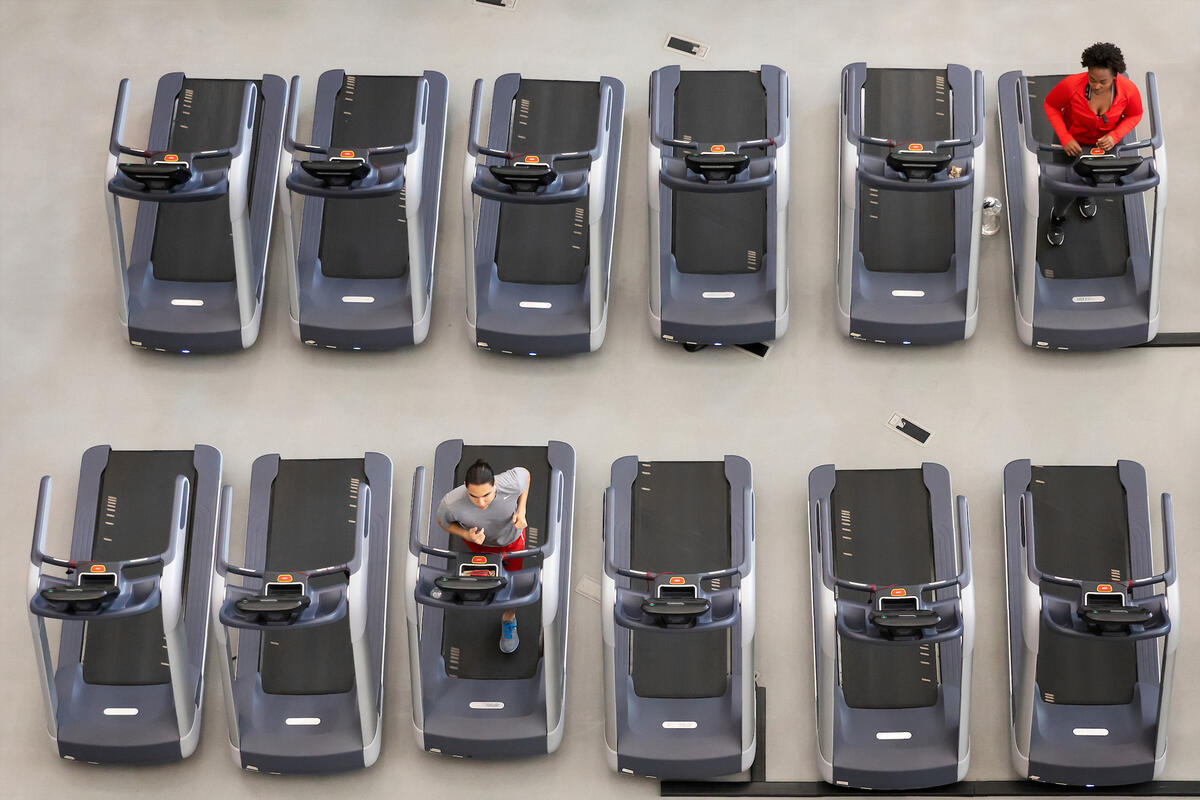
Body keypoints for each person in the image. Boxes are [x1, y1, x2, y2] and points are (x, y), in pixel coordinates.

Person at [1042, 42, 1143, 247]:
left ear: (1115, 75)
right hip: (1071, 144)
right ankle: (1057, 217)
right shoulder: (1071, 85)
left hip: (1103, 146)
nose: (1097, 86)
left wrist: (1115, 136)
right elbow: (1050, 105)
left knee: (1091, 179)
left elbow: (1135, 114)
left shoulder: (1129, 91)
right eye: (1092, 79)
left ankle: (1085, 195)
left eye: (1103, 82)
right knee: (1066, 188)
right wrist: (1065, 137)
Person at [436, 459, 531, 654]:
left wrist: (521, 510)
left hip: (512, 542)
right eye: (473, 496)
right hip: (479, 547)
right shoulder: (451, 502)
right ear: (465, 488)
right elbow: (442, 522)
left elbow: (526, 475)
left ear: (495, 485)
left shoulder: (511, 483)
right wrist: (465, 534)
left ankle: (508, 618)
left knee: (511, 586)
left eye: (486, 495)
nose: (481, 503)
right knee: (483, 583)